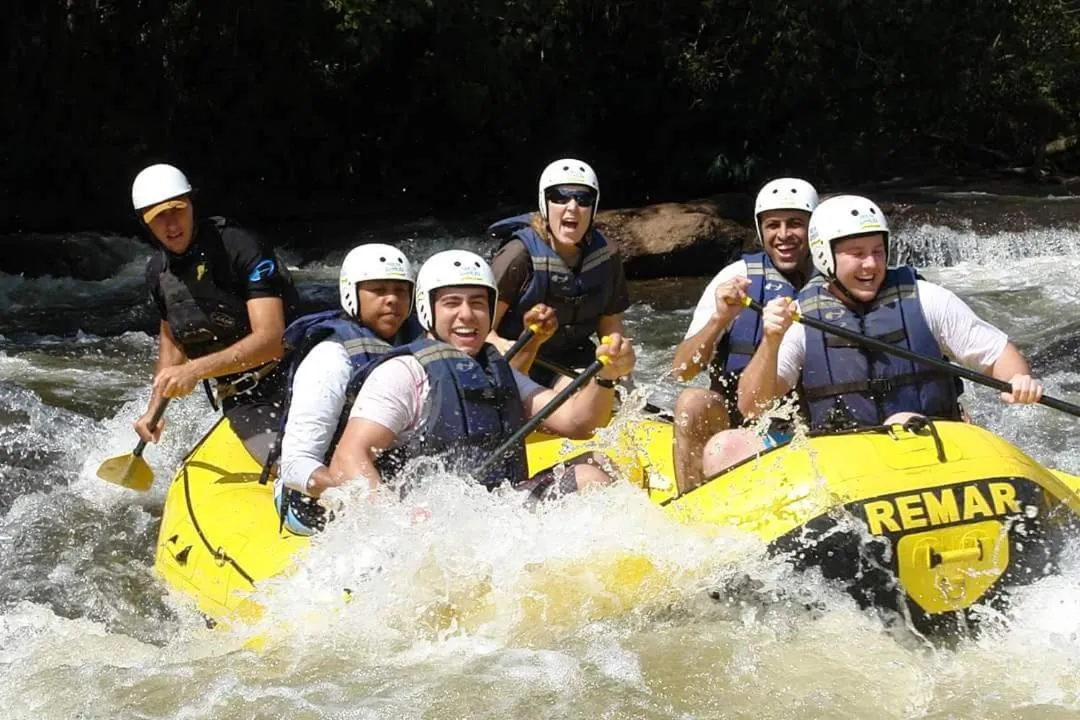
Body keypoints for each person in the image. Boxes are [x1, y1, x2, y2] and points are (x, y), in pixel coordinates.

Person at [703, 194, 1044, 475]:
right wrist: (772, 342)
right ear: (825, 255)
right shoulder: (801, 315)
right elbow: (753, 406)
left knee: (903, 422)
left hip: (932, 450)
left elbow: (998, 354)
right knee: (724, 448)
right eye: (856, 254)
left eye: (877, 252)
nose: (870, 265)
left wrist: (1019, 379)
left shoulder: (926, 298)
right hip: (841, 461)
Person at [327, 250, 635, 505]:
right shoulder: (404, 372)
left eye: (477, 303)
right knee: (589, 477)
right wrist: (398, 524)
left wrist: (605, 377)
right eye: (451, 303)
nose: (467, 314)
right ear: (426, 308)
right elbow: (348, 457)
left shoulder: (496, 370)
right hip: (433, 525)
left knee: (597, 463)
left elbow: (578, 423)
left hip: (493, 512)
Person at [130, 163, 299, 463]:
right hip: (243, 398)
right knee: (279, 463)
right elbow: (173, 342)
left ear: (191, 205)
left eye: (177, 210)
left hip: (295, 374)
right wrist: (153, 410)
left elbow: (272, 339)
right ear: (146, 223)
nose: (171, 225)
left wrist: (194, 371)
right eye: (159, 217)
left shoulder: (239, 247)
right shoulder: (158, 272)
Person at [670, 178, 819, 492]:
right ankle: (693, 507)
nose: (783, 235)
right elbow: (682, 371)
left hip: (816, 424)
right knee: (692, 401)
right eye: (772, 225)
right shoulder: (734, 278)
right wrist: (720, 318)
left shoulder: (839, 280)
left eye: (795, 224)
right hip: (741, 425)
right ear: (760, 229)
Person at [272, 243, 422, 535]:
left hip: (389, 480)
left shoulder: (420, 346)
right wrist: (365, 496)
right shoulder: (331, 358)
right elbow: (295, 467)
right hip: (317, 497)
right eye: (378, 291)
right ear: (352, 294)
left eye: (401, 291)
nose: (392, 300)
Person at [486, 158, 634, 389]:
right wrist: (497, 343)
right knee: (573, 390)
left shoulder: (607, 255)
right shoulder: (517, 255)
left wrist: (618, 359)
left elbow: (610, 323)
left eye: (583, 200)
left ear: (592, 208)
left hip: (574, 356)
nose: (572, 207)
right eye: (560, 197)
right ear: (545, 204)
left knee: (616, 388)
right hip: (521, 358)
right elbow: (483, 327)